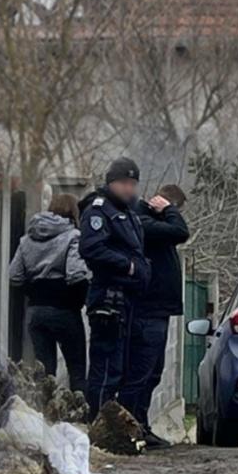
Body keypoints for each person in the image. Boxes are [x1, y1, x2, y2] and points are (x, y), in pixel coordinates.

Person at [78, 157, 152, 421]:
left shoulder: (129, 213)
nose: (129, 188)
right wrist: (128, 267)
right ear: (111, 183)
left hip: (129, 301)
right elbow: (91, 248)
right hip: (109, 299)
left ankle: (112, 427)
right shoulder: (99, 211)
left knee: (122, 369)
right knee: (106, 369)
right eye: (123, 183)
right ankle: (97, 427)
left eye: (132, 183)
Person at [124, 184, 191, 449]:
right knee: (141, 372)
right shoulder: (143, 222)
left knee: (152, 373)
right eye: (175, 208)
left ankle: (140, 425)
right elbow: (181, 232)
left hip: (157, 311)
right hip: (146, 311)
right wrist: (170, 210)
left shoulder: (150, 223)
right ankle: (130, 427)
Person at [8, 193, 91, 393]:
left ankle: (43, 418)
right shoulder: (73, 236)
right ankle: (79, 420)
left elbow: (14, 276)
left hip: (35, 312)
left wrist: (34, 287)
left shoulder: (26, 239)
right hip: (65, 311)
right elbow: (76, 274)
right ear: (73, 211)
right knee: (77, 370)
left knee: (44, 373)